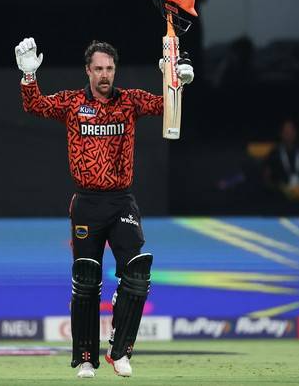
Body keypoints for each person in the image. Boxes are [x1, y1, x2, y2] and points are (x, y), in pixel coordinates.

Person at [15, 37, 194, 378]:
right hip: (86, 203)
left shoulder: (129, 102)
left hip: (121, 200)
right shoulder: (72, 103)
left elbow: (166, 109)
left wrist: (177, 83)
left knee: (138, 272)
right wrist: (28, 76)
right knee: (86, 278)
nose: (104, 75)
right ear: (88, 70)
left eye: (109, 68)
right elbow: (35, 106)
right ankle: (85, 357)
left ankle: (121, 352)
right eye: (98, 68)